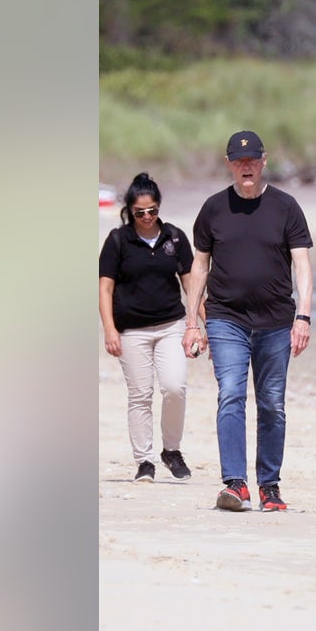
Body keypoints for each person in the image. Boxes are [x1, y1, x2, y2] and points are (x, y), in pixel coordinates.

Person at [182, 130, 314, 513]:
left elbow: (302, 265)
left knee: (272, 403)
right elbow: (199, 266)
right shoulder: (213, 209)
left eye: (252, 160)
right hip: (226, 319)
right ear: (229, 164)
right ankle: (235, 484)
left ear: (264, 160)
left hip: (276, 320)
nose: (246, 167)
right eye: (239, 161)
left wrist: (302, 316)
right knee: (232, 395)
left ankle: (269, 486)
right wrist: (193, 322)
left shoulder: (286, 207)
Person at [99, 173, 196, 483]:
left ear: (158, 207)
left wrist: (198, 324)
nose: (147, 217)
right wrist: (110, 330)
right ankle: (144, 461)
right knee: (140, 395)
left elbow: (191, 284)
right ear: (130, 210)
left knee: (174, 387)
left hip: (171, 324)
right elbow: (105, 289)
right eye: (140, 212)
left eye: (152, 210)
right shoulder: (117, 241)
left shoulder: (174, 237)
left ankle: (172, 450)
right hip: (131, 331)